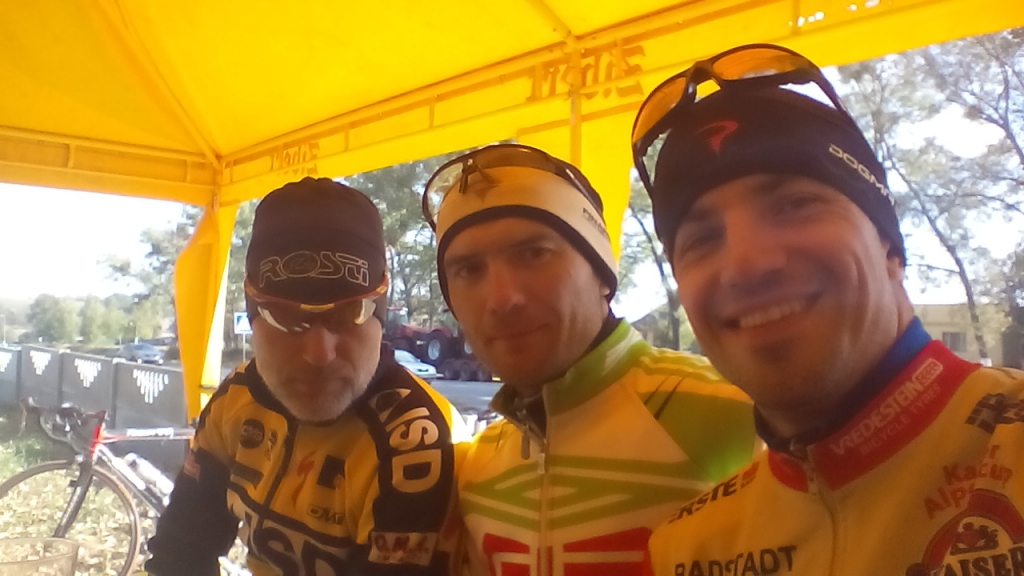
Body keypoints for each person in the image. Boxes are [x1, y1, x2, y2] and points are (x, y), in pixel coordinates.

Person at [632, 44, 1024, 575]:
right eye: (701, 239)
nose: (746, 263)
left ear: (890, 249)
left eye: (795, 204)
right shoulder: (687, 551)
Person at [420, 144, 758, 575]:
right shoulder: (478, 466)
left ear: (602, 273)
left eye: (534, 253)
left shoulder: (734, 411)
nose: (503, 299)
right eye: (469, 270)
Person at [145, 177, 464, 576]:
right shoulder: (236, 399)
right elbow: (179, 552)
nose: (319, 354)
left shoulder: (418, 446)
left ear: (381, 317)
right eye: (285, 317)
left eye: (349, 314)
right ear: (254, 319)